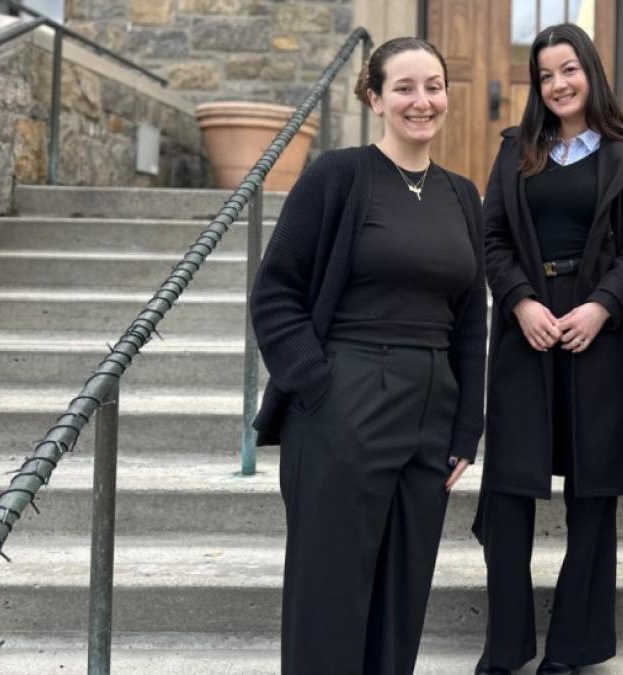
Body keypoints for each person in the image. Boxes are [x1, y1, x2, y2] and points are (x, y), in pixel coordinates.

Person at [248, 37, 486, 674]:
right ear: (375, 98)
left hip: (432, 407)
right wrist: (319, 390)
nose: (422, 100)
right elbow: (275, 293)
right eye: (404, 88)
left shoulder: (463, 195)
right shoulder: (338, 175)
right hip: (345, 396)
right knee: (329, 594)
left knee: (401, 596)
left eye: (433, 86)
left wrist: (467, 425)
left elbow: (470, 320)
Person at [472, 22, 623, 675]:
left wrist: (602, 305)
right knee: (507, 492)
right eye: (545, 74)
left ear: (590, 72)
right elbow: (491, 237)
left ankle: (571, 649)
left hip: (597, 339)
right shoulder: (514, 150)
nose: (557, 84)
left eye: (568, 70)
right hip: (525, 335)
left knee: (593, 497)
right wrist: (521, 300)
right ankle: (506, 647)